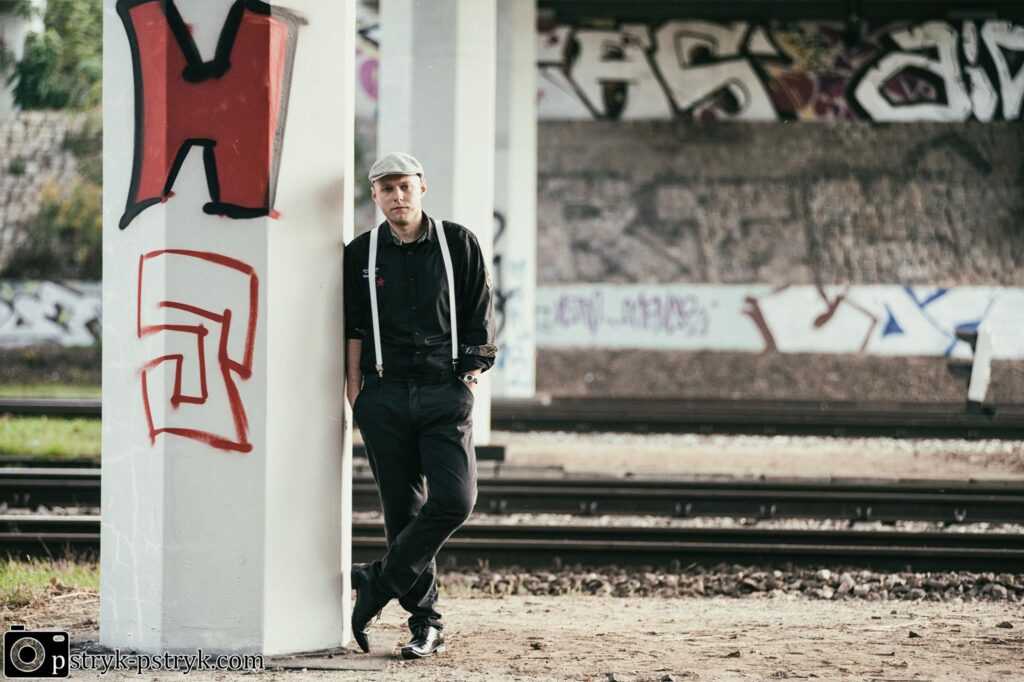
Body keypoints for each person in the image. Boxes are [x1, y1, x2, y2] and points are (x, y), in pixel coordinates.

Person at [344, 152, 498, 659]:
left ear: (422, 187)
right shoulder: (361, 253)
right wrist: (356, 392)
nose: (397, 196)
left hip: (443, 390)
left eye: (404, 186)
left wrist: (469, 376)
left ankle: (378, 579)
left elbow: (480, 313)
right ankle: (425, 624)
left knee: (455, 500)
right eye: (386, 188)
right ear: (375, 195)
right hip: (383, 393)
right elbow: (353, 327)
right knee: (402, 512)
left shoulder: (458, 243)